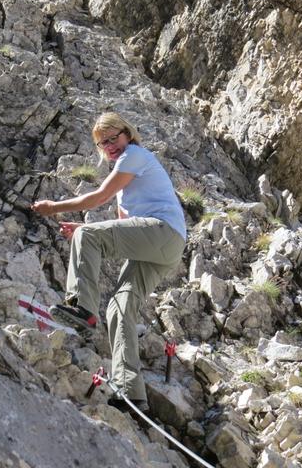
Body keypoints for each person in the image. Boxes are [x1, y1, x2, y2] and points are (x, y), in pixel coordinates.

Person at [31, 112, 186, 411]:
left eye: (113, 138)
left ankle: (82, 307)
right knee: (119, 308)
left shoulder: (134, 155)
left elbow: (100, 196)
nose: (110, 146)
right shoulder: (126, 179)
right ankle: (132, 394)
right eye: (103, 143)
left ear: (127, 134)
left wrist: (53, 208)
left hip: (162, 232)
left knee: (89, 238)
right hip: (164, 245)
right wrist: (81, 232)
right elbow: (121, 230)